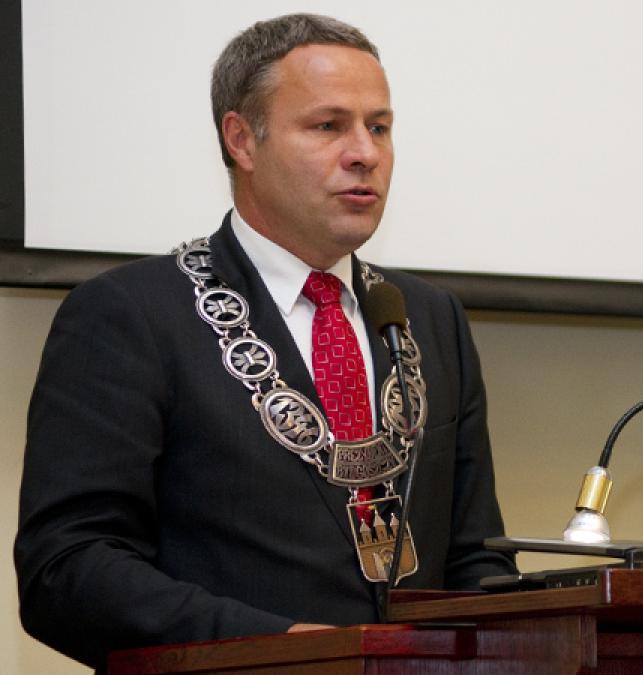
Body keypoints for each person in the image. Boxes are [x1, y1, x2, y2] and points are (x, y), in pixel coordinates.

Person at [15, 13, 515, 670]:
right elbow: (68, 568)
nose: (364, 152)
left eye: (379, 127)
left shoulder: (428, 317)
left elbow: (475, 558)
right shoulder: (131, 316)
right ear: (242, 140)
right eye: (328, 126)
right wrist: (282, 648)